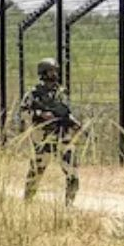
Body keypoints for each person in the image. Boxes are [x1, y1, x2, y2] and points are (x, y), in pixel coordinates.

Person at [21, 57, 80, 205]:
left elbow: (65, 111)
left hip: (62, 136)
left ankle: (69, 204)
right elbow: (23, 113)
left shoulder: (61, 92)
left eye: (55, 71)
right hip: (43, 138)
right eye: (51, 71)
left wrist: (73, 122)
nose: (54, 74)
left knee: (72, 172)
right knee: (36, 172)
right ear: (43, 73)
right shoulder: (33, 94)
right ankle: (27, 202)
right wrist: (40, 114)